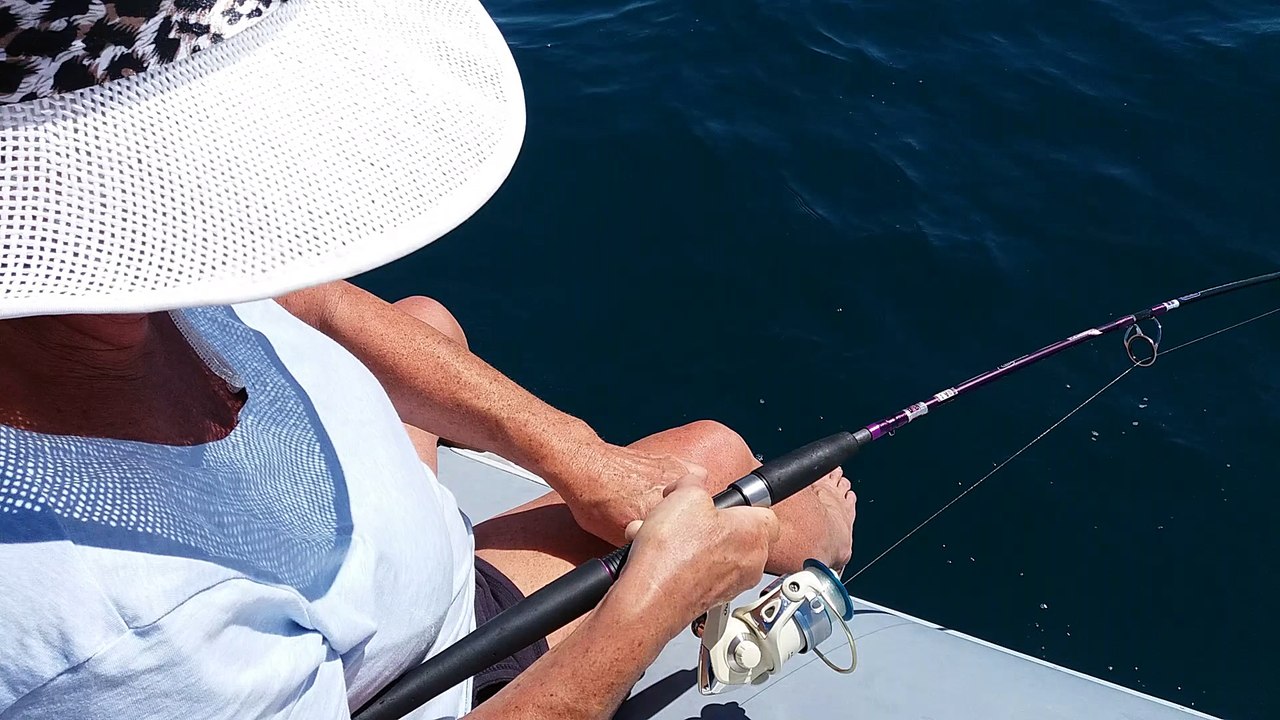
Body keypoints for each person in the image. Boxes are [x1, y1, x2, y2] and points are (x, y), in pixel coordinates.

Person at [0, 1, 855, 718]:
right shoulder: (113, 635)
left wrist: (575, 453)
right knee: (714, 456)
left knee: (424, 321)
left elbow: (316, 301)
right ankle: (823, 544)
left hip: (373, 582)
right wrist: (653, 605)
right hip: (436, 676)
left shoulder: (117, 281)